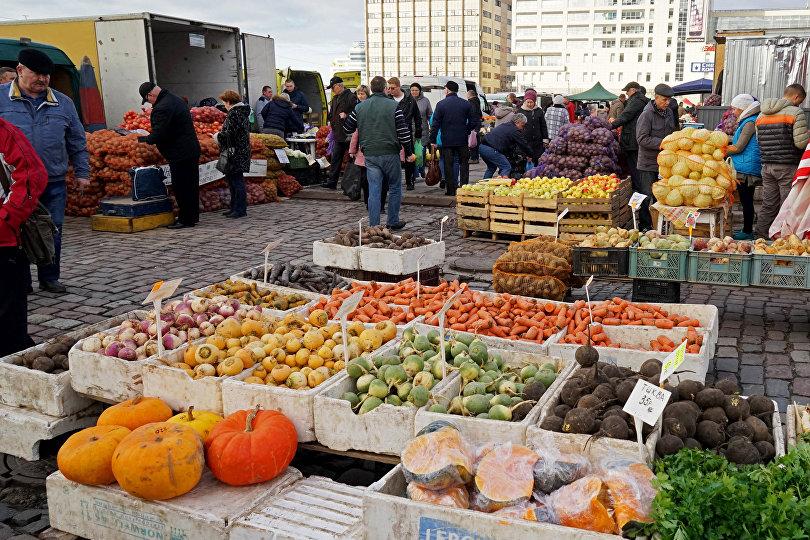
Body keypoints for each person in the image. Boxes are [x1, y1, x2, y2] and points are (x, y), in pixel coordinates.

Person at [0, 49, 89, 294]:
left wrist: (83, 173)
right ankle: (21, 280)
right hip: (14, 184)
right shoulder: (1, 99)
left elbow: (77, 140)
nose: (43, 79)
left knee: (52, 230)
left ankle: (50, 277)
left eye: (46, 75)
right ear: (20, 70)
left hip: (53, 180)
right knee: (14, 232)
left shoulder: (63, 102)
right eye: (37, 74)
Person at [0, 118, 48, 355]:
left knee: (8, 323)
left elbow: (32, 175)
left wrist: (6, 218)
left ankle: (14, 368)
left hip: (3, 243)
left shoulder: (5, 133)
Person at [343, 76, 414, 228]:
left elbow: (347, 128)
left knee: (374, 189)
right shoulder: (393, 106)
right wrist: (408, 152)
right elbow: (403, 132)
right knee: (395, 187)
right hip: (390, 152)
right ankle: (392, 221)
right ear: (384, 88)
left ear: (371, 89)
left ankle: (374, 225)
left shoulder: (360, 107)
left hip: (370, 154)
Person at [137, 81, 201, 229]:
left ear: (150, 95)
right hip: (190, 149)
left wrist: (145, 139)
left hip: (180, 152)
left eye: (147, 100)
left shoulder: (163, 107)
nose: (149, 103)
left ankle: (186, 219)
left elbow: (160, 132)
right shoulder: (174, 99)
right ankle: (192, 216)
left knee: (181, 186)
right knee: (191, 185)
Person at [755, 84, 809, 239]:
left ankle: (760, 237)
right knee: (787, 204)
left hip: (767, 166)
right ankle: (784, 239)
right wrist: (806, 135)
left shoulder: (761, 115)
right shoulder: (795, 112)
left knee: (768, 204)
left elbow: (759, 140)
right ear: (796, 97)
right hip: (787, 166)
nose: (799, 104)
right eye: (800, 101)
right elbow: (800, 143)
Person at [635, 83, 676, 230]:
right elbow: (642, 138)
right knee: (647, 195)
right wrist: (664, 143)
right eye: (664, 99)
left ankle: (662, 225)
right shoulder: (646, 114)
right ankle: (645, 226)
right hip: (648, 163)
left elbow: (672, 131)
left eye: (669, 100)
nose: (667, 102)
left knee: (664, 194)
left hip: (665, 163)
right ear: (656, 97)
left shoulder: (670, 112)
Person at [430, 80, 480, 196]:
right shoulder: (466, 103)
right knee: (464, 164)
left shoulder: (441, 104)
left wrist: (432, 140)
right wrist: (466, 130)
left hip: (447, 140)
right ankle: (464, 188)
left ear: (447, 89)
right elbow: (474, 121)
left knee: (448, 165)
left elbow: (435, 124)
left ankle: (451, 189)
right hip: (462, 139)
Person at [725, 94, 761, 240]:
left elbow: (739, 146)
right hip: (744, 165)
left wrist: (720, 149)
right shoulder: (747, 121)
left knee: (746, 200)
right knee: (746, 199)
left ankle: (747, 231)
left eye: (735, 108)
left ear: (743, 108)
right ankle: (747, 229)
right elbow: (736, 140)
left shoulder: (750, 123)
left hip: (747, 168)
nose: (733, 112)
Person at [611, 82, 649, 211]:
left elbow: (626, 116)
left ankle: (638, 199)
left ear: (632, 90)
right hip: (636, 139)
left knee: (635, 170)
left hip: (632, 140)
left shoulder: (636, 100)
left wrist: (611, 125)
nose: (626, 94)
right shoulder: (642, 100)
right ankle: (640, 196)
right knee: (637, 169)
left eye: (627, 91)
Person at [214, 90, 251, 219]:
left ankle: (239, 209)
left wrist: (217, 136)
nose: (224, 105)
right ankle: (235, 207)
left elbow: (230, 134)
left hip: (234, 151)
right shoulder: (241, 112)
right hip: (239, 150)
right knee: (234, 179)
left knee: (236, 180)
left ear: (229, 102)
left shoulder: (234, 114)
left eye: (225, 102)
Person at [349, 85, 386, 209]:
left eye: (362, 94)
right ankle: (369, 202)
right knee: (366, 179)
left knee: (377, 178)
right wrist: (352, 149)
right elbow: (355, 132)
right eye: (358, 94)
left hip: (373, 147)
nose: (360, 96)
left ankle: (376, 203)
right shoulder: (357, 107)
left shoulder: (365, 108)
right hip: (364, 149)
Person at [387, 77, 421, 190]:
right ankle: (391, 181)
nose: (390, 90)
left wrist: (418, 132)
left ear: (398, 86)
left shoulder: (410, 99)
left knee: (409, 157)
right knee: (391, 157)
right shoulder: (388, 99)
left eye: (392, 88)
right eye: (388, 88)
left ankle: (410, 181)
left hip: (406, 132)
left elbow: (417, 117)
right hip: (391, 133)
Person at [323, 76, 357, 189]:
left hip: (349, 133)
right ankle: (332, 182)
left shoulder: (351, 96)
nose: (332, 90)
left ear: (339, 85)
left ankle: (354, 183)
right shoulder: (335, 98)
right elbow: (332, 114)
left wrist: (347, 115)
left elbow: (356, 111)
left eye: (333, 87)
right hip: (338, 133)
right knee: (335, 158)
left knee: (353, 158)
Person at [479, 114, 533, 179]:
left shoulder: (506, 125)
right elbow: (523, 144)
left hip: (482, 147)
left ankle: (484, 185)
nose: (522, 128)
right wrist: (530, 154)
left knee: (491, 168)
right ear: (518, 122)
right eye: (522, 125)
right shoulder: (514, 130)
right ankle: (504, 185)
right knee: (506, 167)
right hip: (492, 150)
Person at [520, 89, 549, 166]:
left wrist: (545, 139)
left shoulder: (539, 111)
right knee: (526, 159)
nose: (529, 104)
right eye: (528, 102)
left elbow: (543, 125)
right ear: (525, 101)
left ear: (534, 102)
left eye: (531, 102)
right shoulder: (520, 111)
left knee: (538, 159)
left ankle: (537, 175)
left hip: (538, 141)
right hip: (525, 140)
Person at [410, 83, 432, 178]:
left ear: (420, 91)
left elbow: (430, 115)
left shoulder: (425, 101)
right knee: (413, 152)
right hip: (410, 130)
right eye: (412, 90)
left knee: (421, 152)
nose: (414, 92)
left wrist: (432, 127)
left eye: (416, 90)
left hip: (422, 130)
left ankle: (421, 169)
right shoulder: (407, 101)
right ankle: (415, 173)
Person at [467, 90, 483, 163]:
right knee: (475, 141)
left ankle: (473, 158)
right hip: (477, 123)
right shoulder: (477, 101)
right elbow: (479, 113)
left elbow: (473, 114)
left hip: (474, 124)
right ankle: (475, 157)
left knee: (472, 141)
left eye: (467, 94)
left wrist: (471, 125)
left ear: (470, 95)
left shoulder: (471, 102)